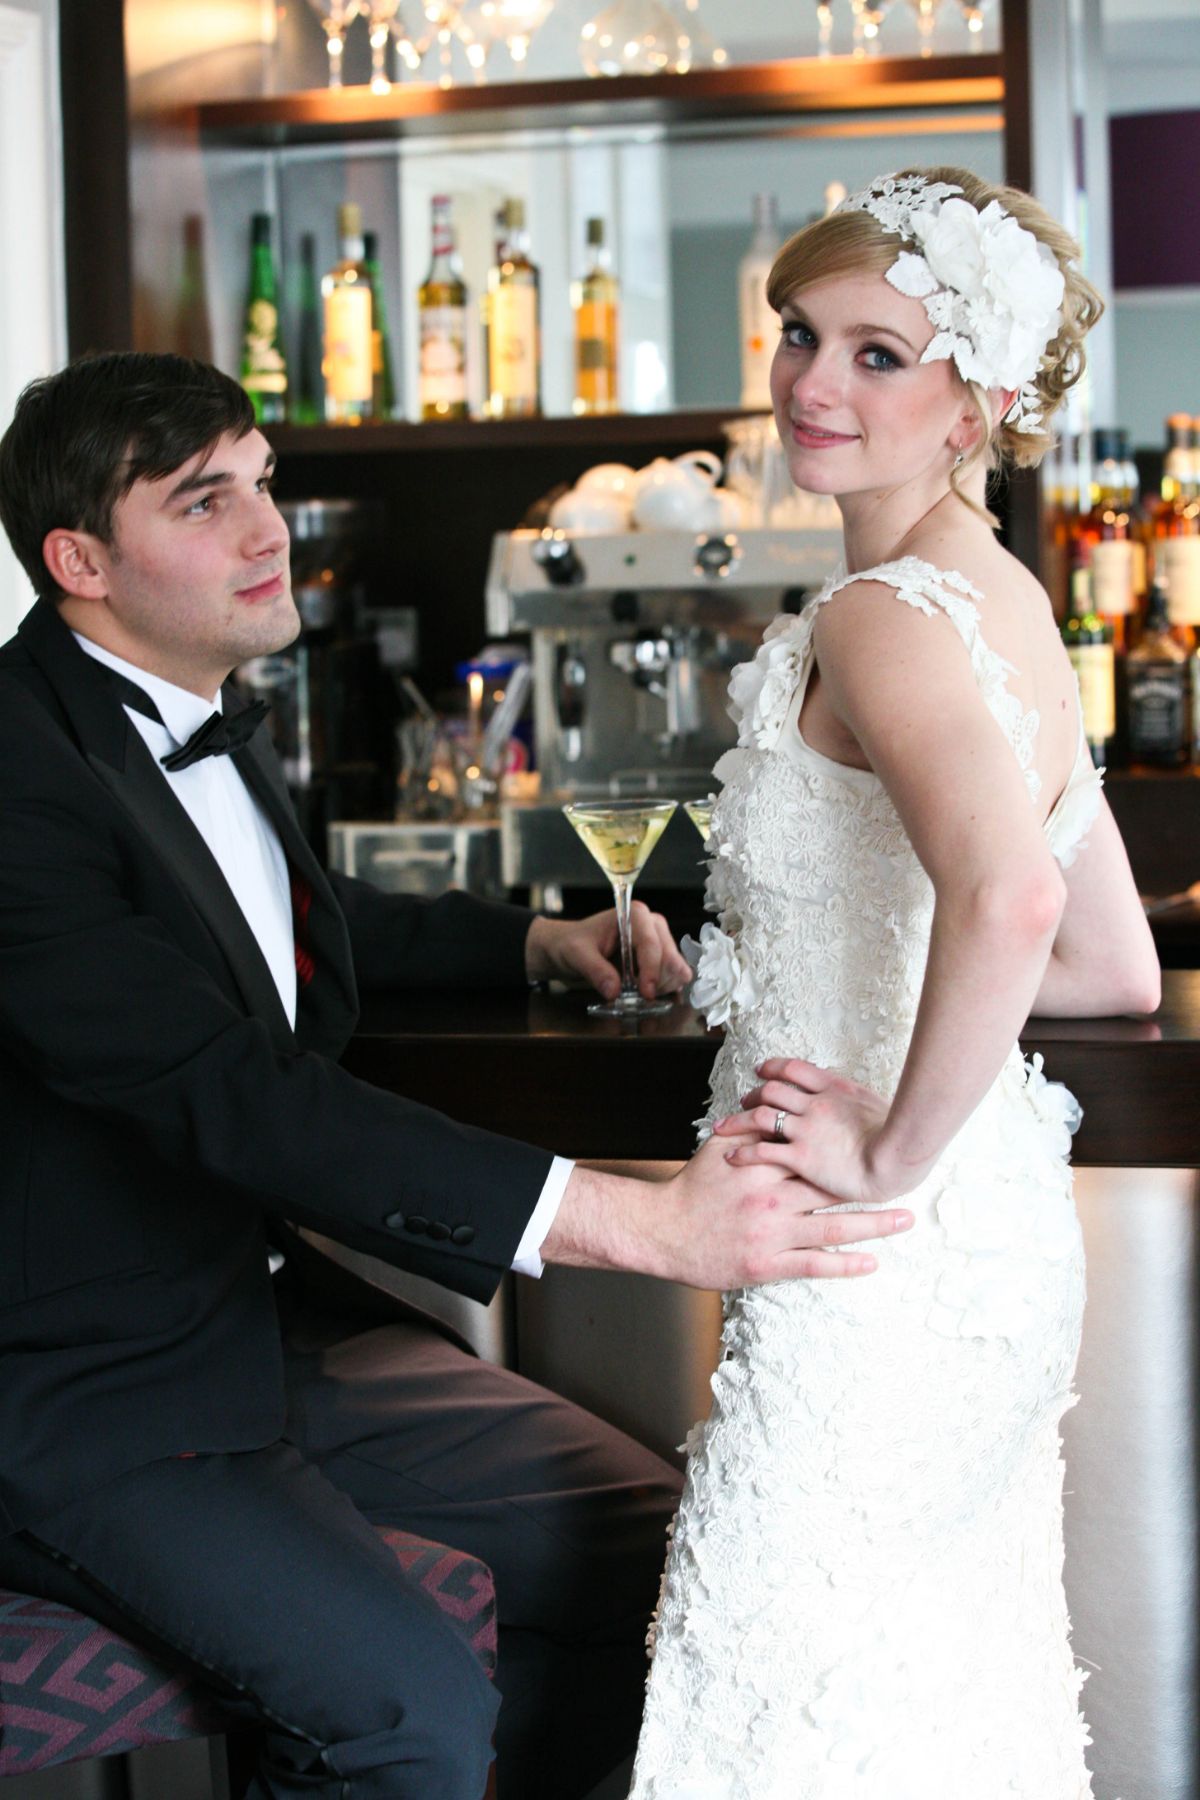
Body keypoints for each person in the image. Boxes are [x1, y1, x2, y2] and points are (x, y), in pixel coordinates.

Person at [0, 351, 914, 1800]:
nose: (266, 531)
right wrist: (640, 1221)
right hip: (89, 1391)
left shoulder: (177, 705)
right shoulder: (17, 771)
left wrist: (532, 942)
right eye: (203, 502)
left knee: (672, 1563)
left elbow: (278, 923)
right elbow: (230, 1085)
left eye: (263, 484)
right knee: (406, 1716)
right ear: (80, 562)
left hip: (265, 1331)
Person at [628, 167, 1161, 1799]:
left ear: (976, 404)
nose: (810, 380)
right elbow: (1113, 964)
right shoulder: (1005, 600)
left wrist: (884, 1151)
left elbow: (1014, 899)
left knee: (783, 1730)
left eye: (878, 354)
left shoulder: (879, 618)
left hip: (870, 1260)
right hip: (977, 1255)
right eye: (801, 332)